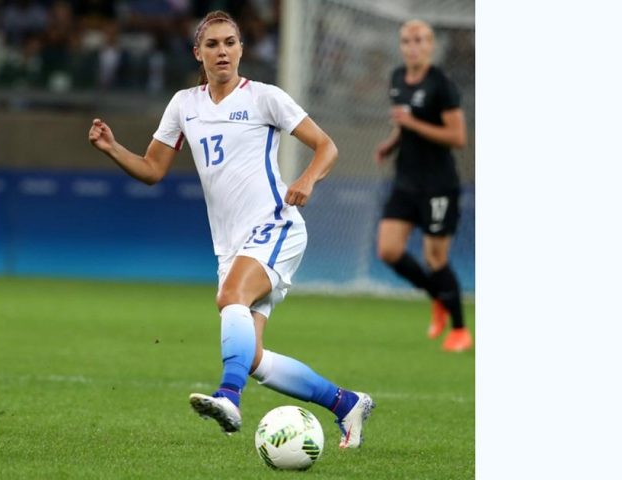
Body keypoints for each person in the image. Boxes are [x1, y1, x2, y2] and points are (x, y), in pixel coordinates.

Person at [88, 10, 374, 448]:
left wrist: (306, 179)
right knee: (253, 358)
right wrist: (112, 148)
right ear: (197, 53)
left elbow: (326, 146)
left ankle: (228, 398)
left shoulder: (264, 98)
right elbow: (152, 170)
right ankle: (346, 403)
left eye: (230, 42)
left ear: (241, 49)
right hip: (231, 246)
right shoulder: (184, 105)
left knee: (229, 298)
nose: (222, 51)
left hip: (275, 226)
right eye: (212, 44)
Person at [373, 20, 472, 352]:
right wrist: (391, 143)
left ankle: (460, 330)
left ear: (431, 45)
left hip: (438, 185)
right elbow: (403, 124)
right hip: (405, 181)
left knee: (435, 258)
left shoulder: (441, 84)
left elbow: (458, 137)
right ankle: (438, 296)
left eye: (419, 40)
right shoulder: (397, 78)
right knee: (388, 250)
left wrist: (413, 123)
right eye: (406, 41)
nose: (412, 46)